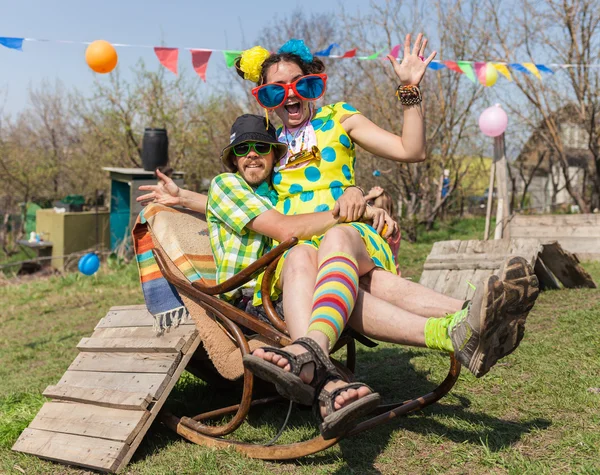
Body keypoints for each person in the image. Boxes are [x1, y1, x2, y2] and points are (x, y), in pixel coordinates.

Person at [138, 113, 539, 440]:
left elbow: (260, 211)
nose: (252, 155)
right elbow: (283, 228)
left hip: (281, 290)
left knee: (345, 275)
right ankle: (455, 324)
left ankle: (468, 318)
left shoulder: (270, 193)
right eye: (243, 150)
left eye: (261, 147)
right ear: (233, 159)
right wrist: (353, 207)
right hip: (252, 303)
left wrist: (363, 201)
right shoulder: (228, 185)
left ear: (275, 155)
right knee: (308, 257)